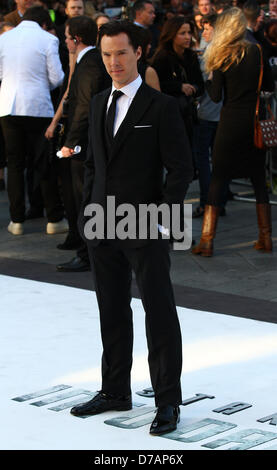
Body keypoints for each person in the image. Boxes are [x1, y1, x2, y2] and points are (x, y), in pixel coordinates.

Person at [70, 20, 193, 436]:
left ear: (138, 52)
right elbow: (92, 165)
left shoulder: (161, 107)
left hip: (146, 225)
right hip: (102, 225)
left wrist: (162, 218)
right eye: (106, 54)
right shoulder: (101, 99)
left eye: (121, 53)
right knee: (112, 310)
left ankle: (168, 401)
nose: (113, 62)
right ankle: (114, 390)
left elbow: (181, 170)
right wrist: (89, 215)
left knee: (159, 313)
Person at [192, 7, 274, 257]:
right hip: (254, 123)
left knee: (219, 177)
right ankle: (265, 237)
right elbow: (269, 85)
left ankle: (207, 240)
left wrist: (209, 76)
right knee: (259, 179)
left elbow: (216, 96)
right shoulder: (256, 51)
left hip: (229, 123)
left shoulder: (222, 54)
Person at [0, 5, 65, 236]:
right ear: (45, 23)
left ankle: (17, 221)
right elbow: (56, 77)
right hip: (38, 106)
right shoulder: (47, 39)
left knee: (14, 163)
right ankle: (54, 219)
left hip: (8, 106)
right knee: (43, 162)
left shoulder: (5, 38)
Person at [55, 15, 111, 270]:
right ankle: (87, 248)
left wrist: (71, 142)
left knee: (84, 197)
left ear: (75, 39)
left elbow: (85, 107)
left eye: (66, 37)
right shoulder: (90, 61)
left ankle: (87, 254)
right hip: (89, 141)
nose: (65, 42)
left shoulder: (89, 64)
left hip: (84, 144)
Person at [151, 16, 204, 148]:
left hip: (190, 114)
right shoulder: (162, 58)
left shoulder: (191, 56)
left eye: (189, 33)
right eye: (182, 33)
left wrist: (193, 88)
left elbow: (200, 84)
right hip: (170, 116)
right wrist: (178, 87)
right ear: (172, 35)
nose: (187, 37)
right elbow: (156, 86)